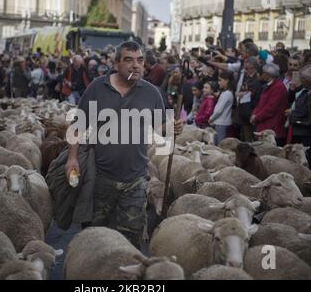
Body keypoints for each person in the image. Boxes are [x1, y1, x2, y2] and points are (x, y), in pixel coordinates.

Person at [65, 41, 183, 249]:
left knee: (131, 243)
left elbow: (158, 127)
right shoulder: (97, 88)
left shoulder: (152, 93)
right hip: (101, 178)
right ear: (116, 63)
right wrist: (72, 158)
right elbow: (77, 126)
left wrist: (172, 128)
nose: (136, 66)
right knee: (95, 241)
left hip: (135, 180)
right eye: (129, 60)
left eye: (140, 60)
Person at [251, 63, 288, 146]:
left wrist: (256, 117)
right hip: (264, 125)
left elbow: (270, 108)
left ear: (268, 74)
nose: (262, 74)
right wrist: (254, 114)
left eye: (263, 73)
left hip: (272, 127)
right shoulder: (267, 86)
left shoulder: (278, 87)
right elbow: (260, 104)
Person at [209, 72, 235, 144]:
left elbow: (219, 110)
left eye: (220, 80)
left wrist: (211, 118)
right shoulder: (226, 93)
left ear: (226, 80)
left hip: (221, 123)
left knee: (220, 145)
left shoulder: (226, 94)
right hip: (222, 122)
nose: (218, 82)